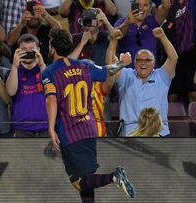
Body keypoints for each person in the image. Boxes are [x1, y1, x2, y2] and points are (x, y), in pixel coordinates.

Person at [42, 28, 135, 202]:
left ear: (52, 48)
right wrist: (122, 63)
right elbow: (108, 70)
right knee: (86, 179)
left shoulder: (49, 72)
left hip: (70, 132)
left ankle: (114, 176)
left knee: (78, 182)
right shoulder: (85, 66)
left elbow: (51, 100)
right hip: (89, 129)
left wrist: (51, 127)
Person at [109, 27, 178, 137]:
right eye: (139, 60)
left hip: (159, 133)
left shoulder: (161, 76)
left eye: (147, 60)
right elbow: (110, 64)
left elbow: (173, 58)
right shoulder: (126, 75)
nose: (143, 63)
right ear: (134, 63)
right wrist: (113, 41)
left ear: (154, 63)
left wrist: (162, 37)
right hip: (130, 134)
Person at [6, 34, 48, 137]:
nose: (28, 51)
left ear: (38, 49)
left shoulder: (46, 69)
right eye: (24, 49)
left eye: (31, 49)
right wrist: (15, 66)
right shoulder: (13, 71)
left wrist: (42, 65)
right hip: (21, 128)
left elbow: (52, 88)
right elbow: (11, 91)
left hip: (46, 127)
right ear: (18, 51)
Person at [114, 0, 171, 68]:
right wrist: (127, 23)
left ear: (150, 8)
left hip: (151, 74)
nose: (141, 8)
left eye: (145, 5)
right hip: (128, 73)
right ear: (133, 7)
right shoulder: (122, 22)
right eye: (138, 5)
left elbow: (166, 6)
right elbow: (114, 36)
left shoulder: (153, 20)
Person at [7, 0, 61, 65]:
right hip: (20, 69)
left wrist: (46, 15)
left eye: (37, 12)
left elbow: (60, 31)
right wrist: (21, 23)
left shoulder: (46, 29)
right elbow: (10, 42)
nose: (33, 17)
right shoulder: (19, 28)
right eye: (30, 13)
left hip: (44, 69)